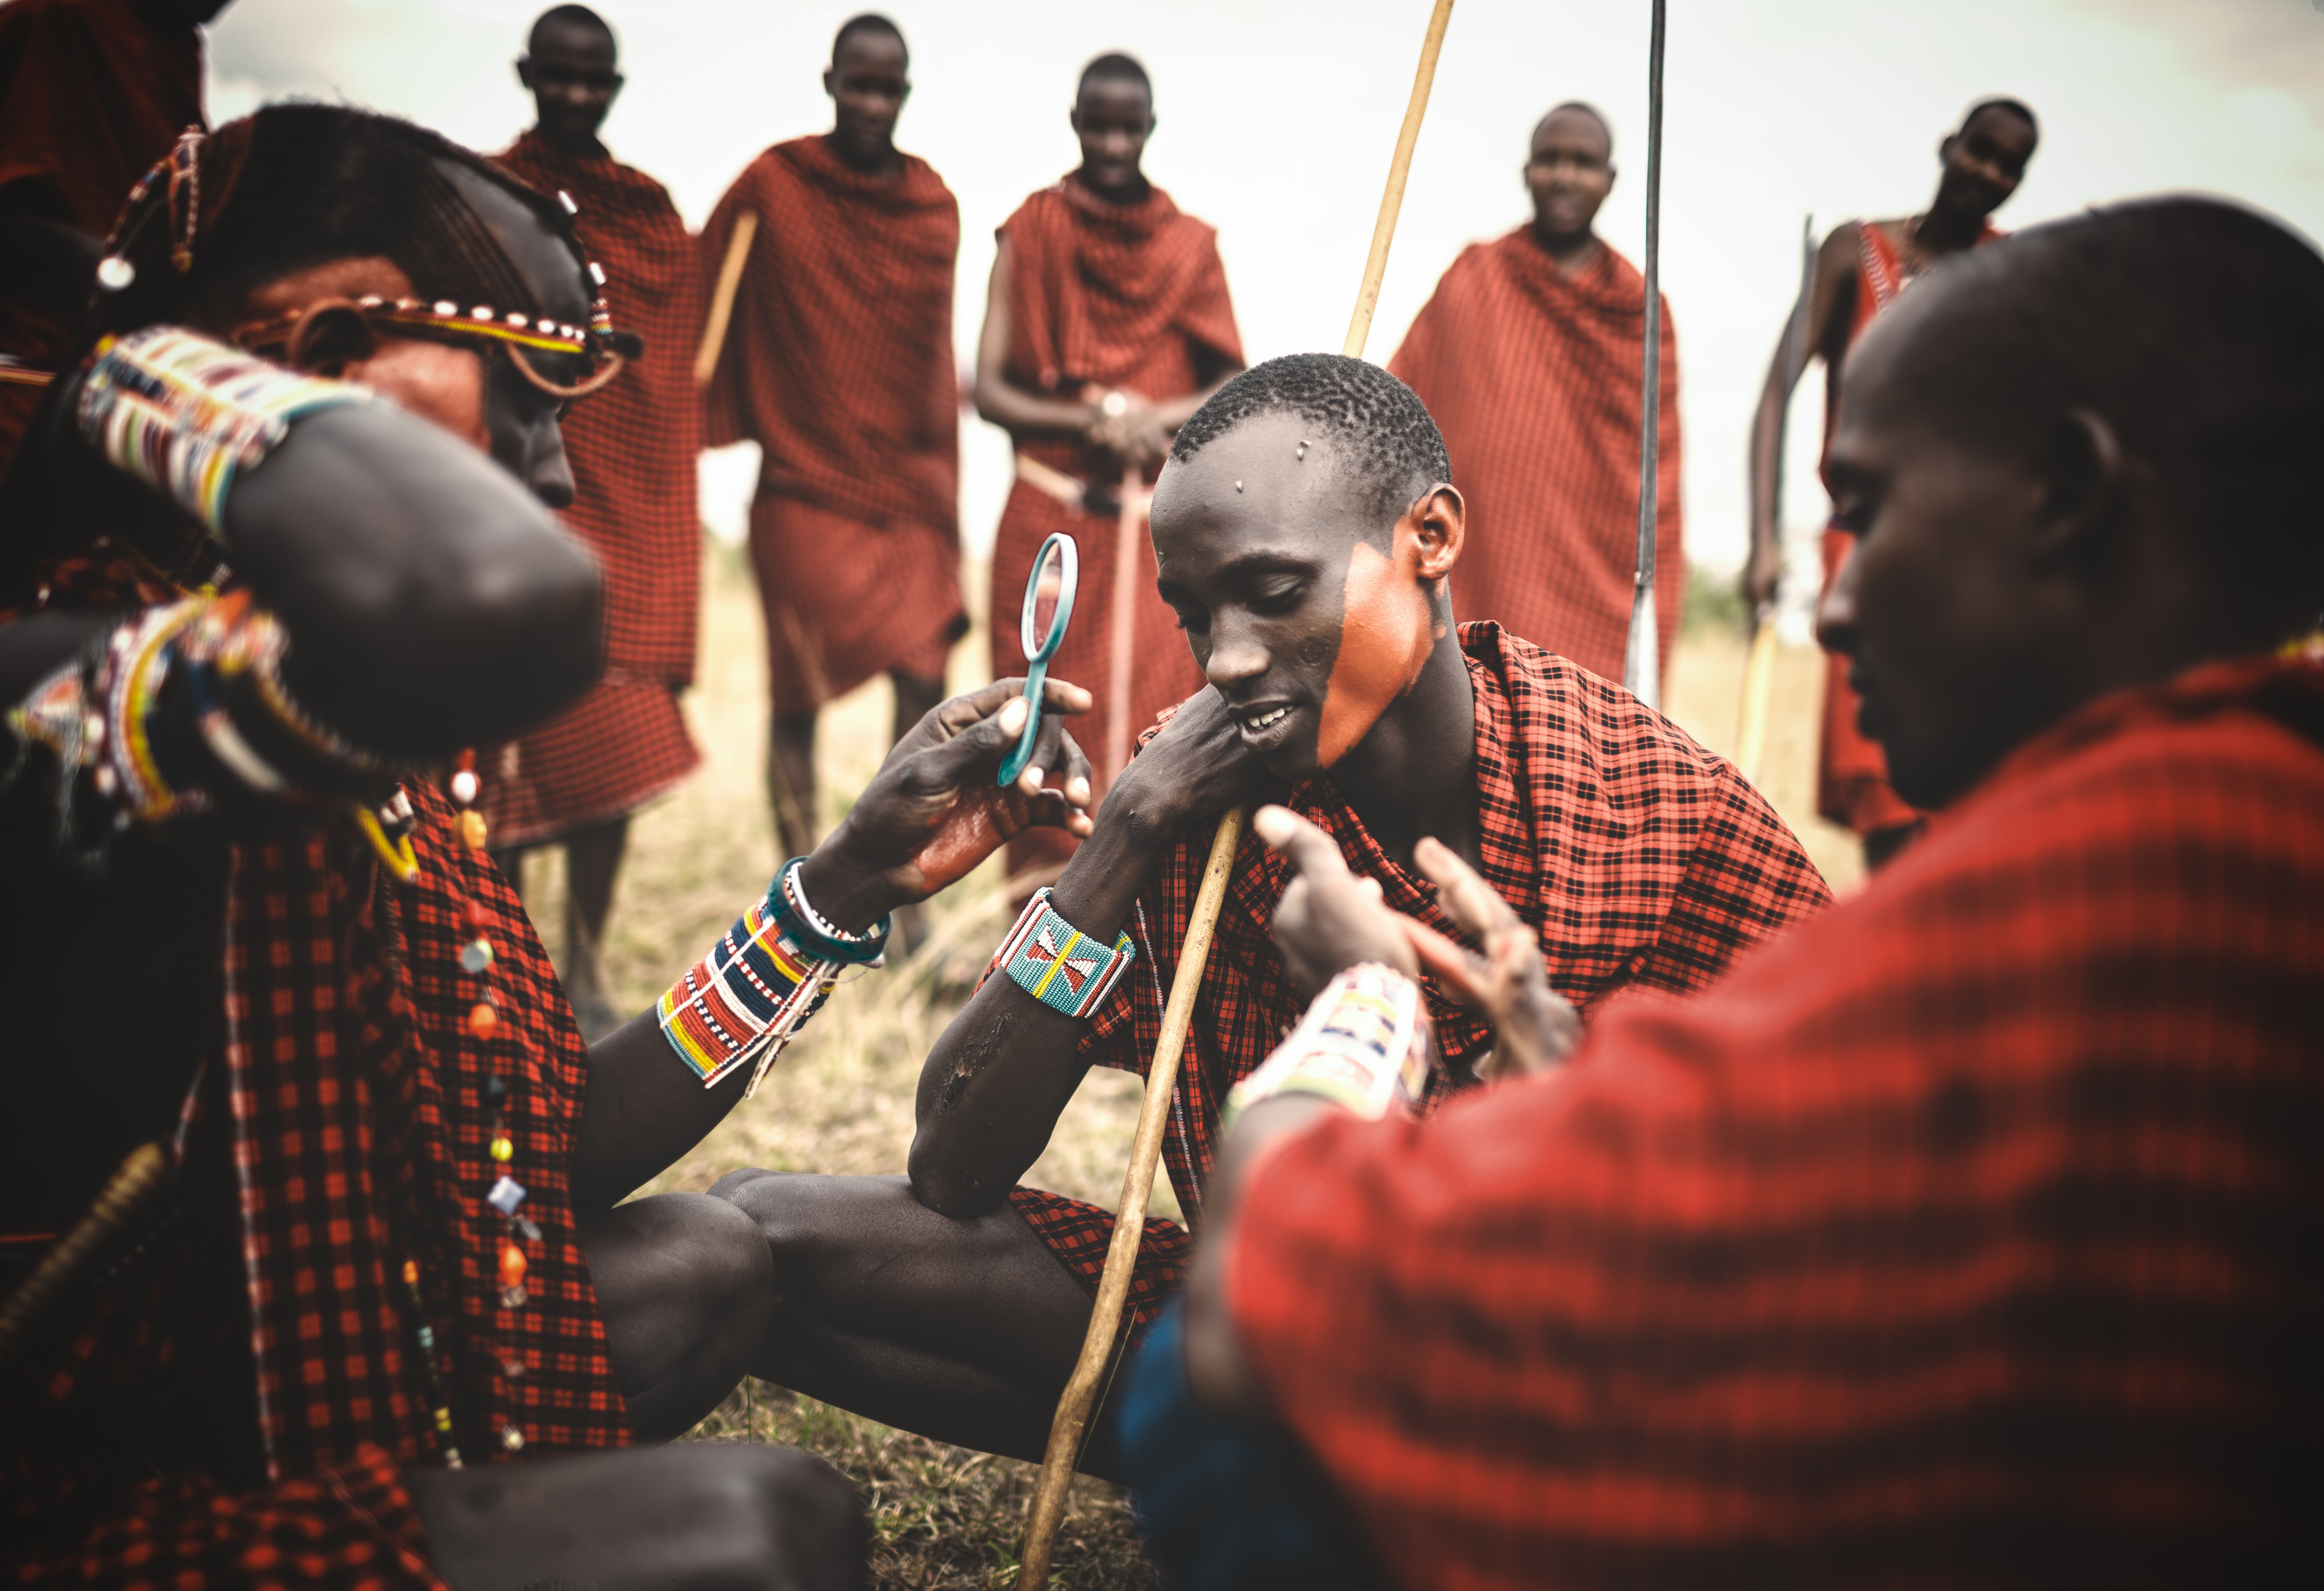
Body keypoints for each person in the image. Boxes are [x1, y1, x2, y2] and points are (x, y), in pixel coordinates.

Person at [0, 104, 1098, 1588]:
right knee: (764, 1535)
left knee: (715, 1258)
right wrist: (139, 357)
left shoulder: (366, 751)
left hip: (300, 1386)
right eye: (527, 390)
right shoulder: (42, 698)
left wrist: (842, 887)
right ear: (306, 353)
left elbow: (532, 1160)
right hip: (61, 1504)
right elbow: (487, 593)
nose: (556, 472)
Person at [1130, 196, 2324, 1588]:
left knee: (1215, 1421)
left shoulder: (2069, 906)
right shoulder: (2249, 817)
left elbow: (1274, 1301)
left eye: (1863, 514)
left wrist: (1360, 1007)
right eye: (1191, 615)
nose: (1832, 603)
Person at [714, 353, 1835, 1473]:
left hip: (1580, 1409)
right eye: (1195, 615)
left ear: (1430, 540)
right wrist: (1122, 838)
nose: (1230, 659)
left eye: (1276, 592)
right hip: (1280, 1335)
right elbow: (954, 1167)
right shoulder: (1200, 806)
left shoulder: (1648, 801)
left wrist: (1373, 1008)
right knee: (748, 1233)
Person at [698, 12, 965, 872]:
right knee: (796, 693)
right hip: (803, 482)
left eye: (889, 88)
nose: (873, 103)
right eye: (859, 84)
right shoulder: (773, 186)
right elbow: (697, 294)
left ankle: (894, 870)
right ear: (830, 84)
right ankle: (800, 886)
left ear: (908, 95)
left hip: (910, 486)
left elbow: (923, 361)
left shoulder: (932, 206)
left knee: (926, 676)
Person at [485, 4, 706, 1034]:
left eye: (593, 80)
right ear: (528, 74)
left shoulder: (649, 212)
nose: (575, 94)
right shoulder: (480, 197)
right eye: (558, 76)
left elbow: (665, 372)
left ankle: (580, 960)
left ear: (615, 88)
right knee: (508, 738)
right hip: (516, 491)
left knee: (613, 737)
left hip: (626, 502)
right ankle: (500, 953)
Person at [974, 50, 1244, 888]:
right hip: (1051, 520)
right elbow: (988, 388)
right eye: (1099, 124)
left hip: (1154, 530)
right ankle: (1029, 932)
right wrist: (1095, 419)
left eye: (1130, 127)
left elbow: (1233, 382)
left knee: (1159, 723)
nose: (1114, 142)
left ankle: (1144, 917)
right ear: (1076, 123)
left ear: (1151, 128)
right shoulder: (1032, 229)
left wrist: (1146, 419)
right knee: (1040, 719)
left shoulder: (1189, 245)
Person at [1748, 97, 2038, 869]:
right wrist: (1761, 543)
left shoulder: (2016, 272)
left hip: (1970, 563)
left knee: (1959, 790)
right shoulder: (1856, 251)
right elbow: (1777, 392)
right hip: (1868, 551)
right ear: (1949, 147)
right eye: (1982, 151)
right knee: (1888, 785)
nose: (1992, 173)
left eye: (2012, 165)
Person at [1387, 101, 1680, 688]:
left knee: (1579, 735)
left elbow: (1658, 478)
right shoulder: (1475, 277)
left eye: (1583, 163)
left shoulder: (1638, 308)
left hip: (1593, 580)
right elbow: (1396, 405)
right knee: (1465, 725)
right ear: (1526, 173)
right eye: (1549, 160)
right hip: (1479, 562)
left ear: (1611, 180)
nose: (1564, 176)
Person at [0, 0, 229, 524]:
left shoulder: (178, 52)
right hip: (41, 371)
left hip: (141, 383)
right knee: (33, 582)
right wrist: (86, 257)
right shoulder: (51, 20)